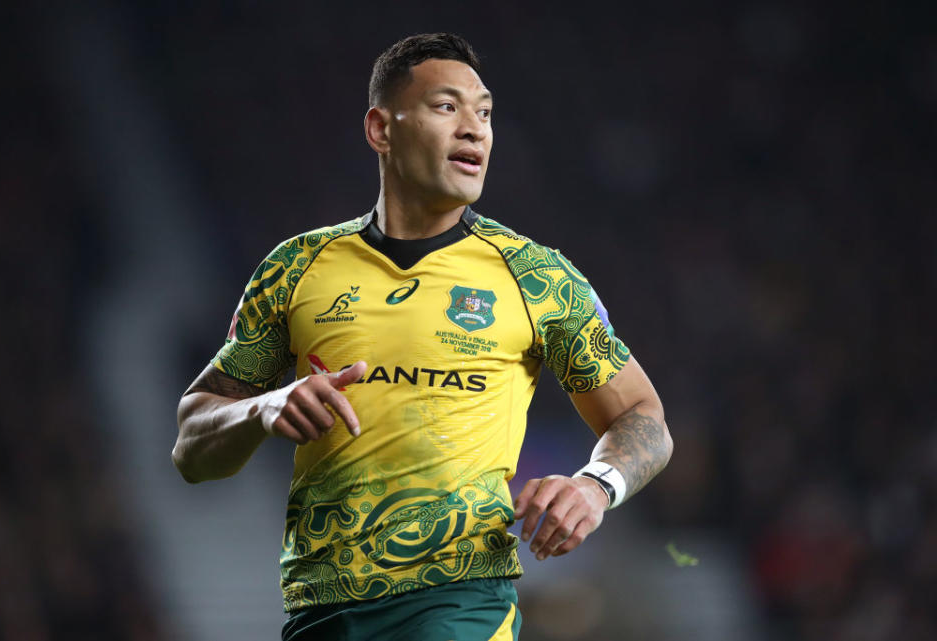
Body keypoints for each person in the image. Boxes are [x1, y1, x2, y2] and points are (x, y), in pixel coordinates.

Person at [173, 32, 672, 641]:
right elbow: (192, 448)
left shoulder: (537, 277)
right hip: (319, 613)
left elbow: (643, 416)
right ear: (381, 129)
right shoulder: (296, 267)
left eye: (485, 113)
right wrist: (263, 407)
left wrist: (596, 487)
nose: (475, 129)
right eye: (447, 107)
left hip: (459, 601)